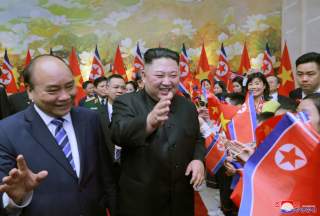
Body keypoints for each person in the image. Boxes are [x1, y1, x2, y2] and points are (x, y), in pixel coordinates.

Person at [0, 55, 116, 216]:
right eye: (53, 90)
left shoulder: (90, 119)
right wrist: (17, 199)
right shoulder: (6, 131)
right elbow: (5, 194)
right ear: (29, 91)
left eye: (69, 86)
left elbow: (106, 176)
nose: (65, 96)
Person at [111, 48, 205, 216]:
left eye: (173, 75)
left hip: (180, 199)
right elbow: (119, 134)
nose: (167, 82)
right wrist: (149, 122)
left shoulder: (188, 106)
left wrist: (198, 159)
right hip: (141, 202)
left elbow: (197, 138)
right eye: (160, 76)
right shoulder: (126, 102)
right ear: (144, 75)